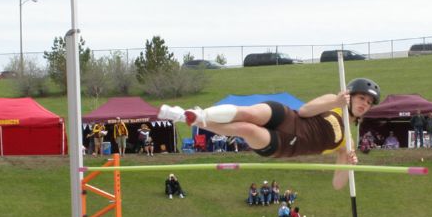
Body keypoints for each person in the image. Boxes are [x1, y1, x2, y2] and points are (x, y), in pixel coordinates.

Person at [159, 78, 380, 190]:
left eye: (368, 103)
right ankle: (195, 116)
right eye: (361, 98)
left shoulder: (347, 142)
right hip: (288, 117)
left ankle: (198, 119)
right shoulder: (333, 101)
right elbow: (304, 111)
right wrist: (335, 101)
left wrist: (349, 164)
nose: (364, 104)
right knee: (249, 112)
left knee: (246, 129)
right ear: (351, 96)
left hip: (286, 144)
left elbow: (338, 184)